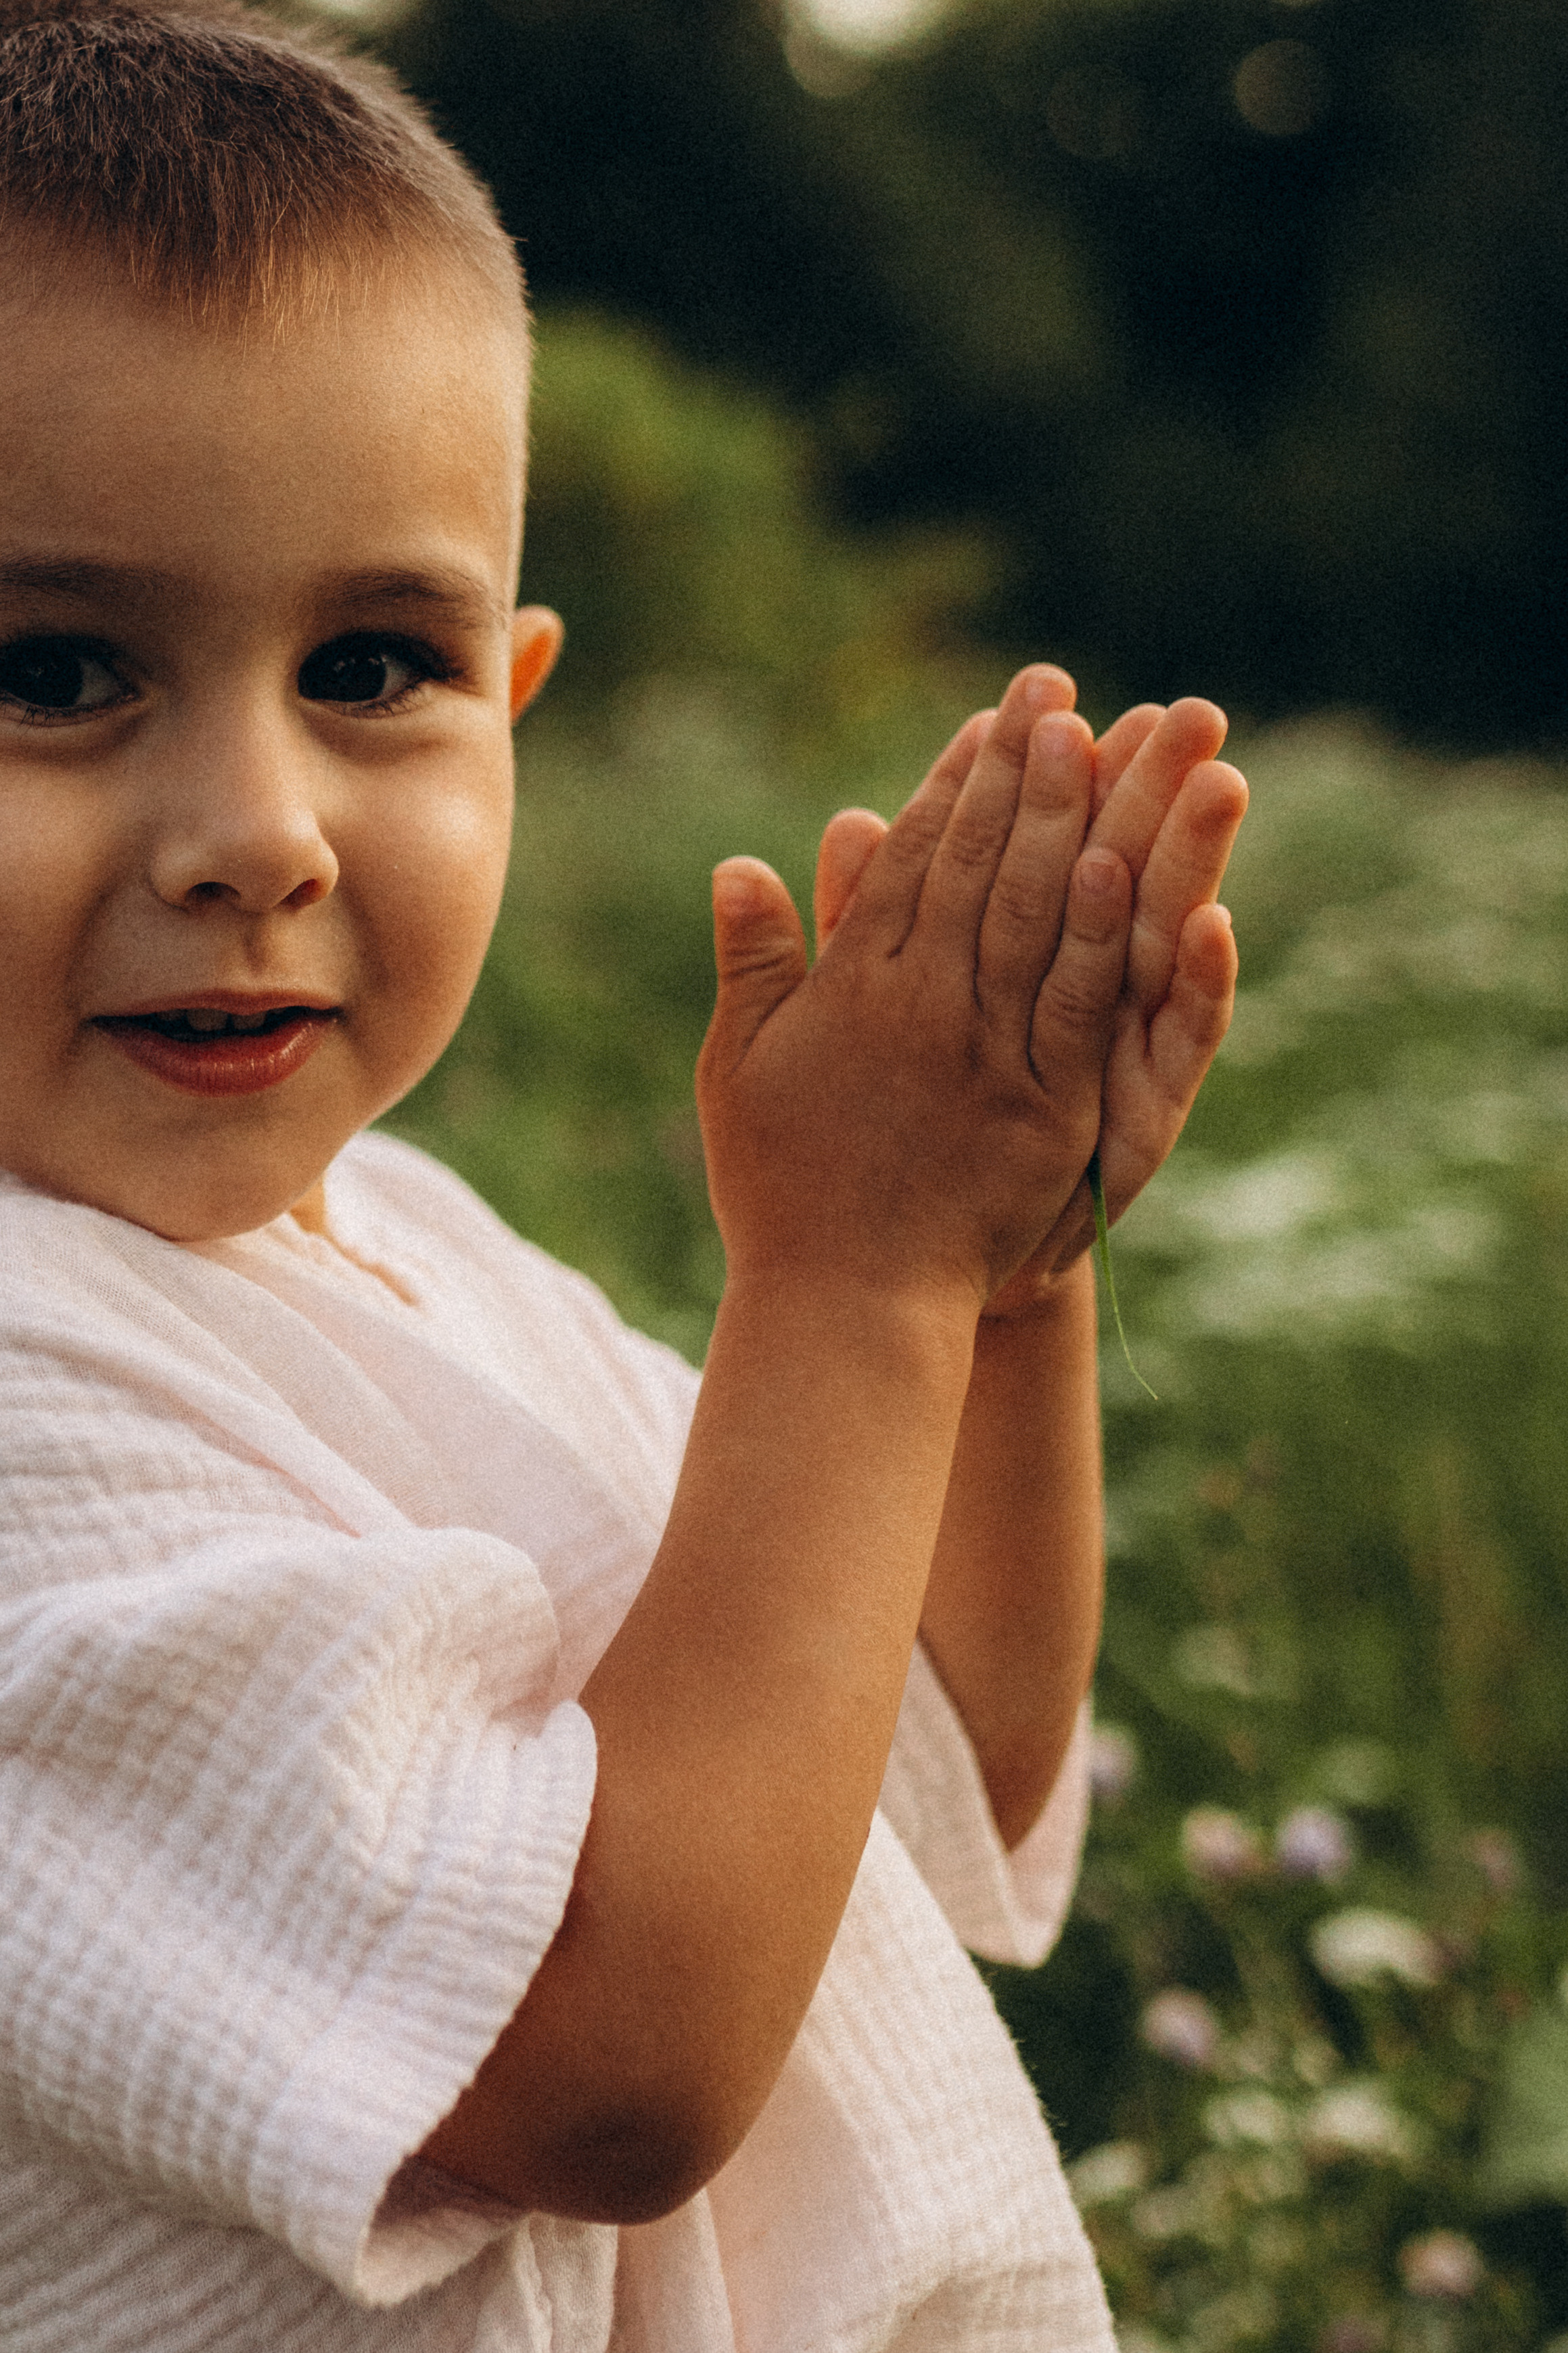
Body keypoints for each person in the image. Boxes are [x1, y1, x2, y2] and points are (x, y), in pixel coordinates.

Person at [0, 0, 1249, 2344]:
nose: (258, 833)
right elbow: (607, 2062)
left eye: (374, 666)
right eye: (52, 671)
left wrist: (991, 1274)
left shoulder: (428, 1263)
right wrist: (854, 1282)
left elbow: (931, 1745)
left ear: (519, 697)